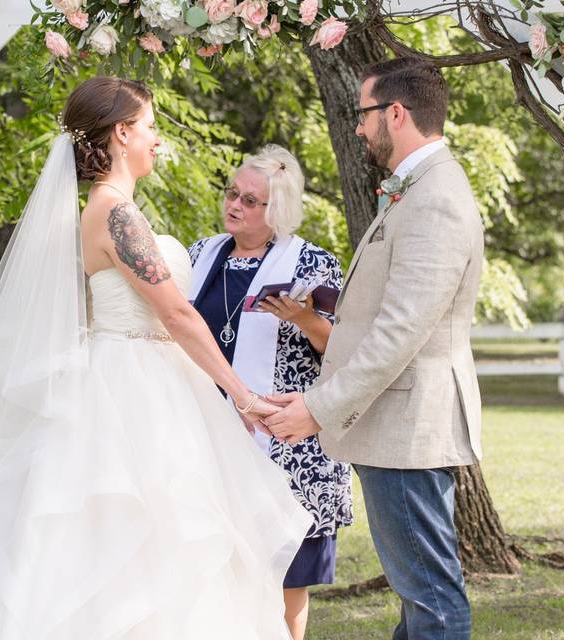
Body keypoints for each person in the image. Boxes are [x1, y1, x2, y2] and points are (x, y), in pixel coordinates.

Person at [0, 76, 312, 639]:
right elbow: (175, 314)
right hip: (133, 391)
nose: (157, 140)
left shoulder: (114, 210)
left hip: (148, 379)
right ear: (122, 133)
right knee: (138, 537)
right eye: (149, 127)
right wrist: (242, 397)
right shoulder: (115, 213)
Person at [264, 58, 483, 640]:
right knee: (420, 599)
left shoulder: (435, 197)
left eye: (363, 115)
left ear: (395, 112)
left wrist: (318, 407)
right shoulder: (416, 189)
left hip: (408, 428)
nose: (358, 128)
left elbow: (400, 331)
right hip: (395, 423)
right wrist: (316, 391)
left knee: (432, 597)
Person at [187, 145, 352, 640]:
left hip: (286, 440)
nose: (235, 204)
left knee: (285, 578)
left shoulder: (312, 262)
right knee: (214, 569)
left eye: (251, 200)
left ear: (276, 209)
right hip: (209, 434)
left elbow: (344, 352)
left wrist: (303, 319)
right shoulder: (201, 254)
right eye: (232, 193)